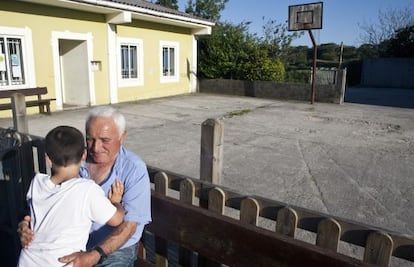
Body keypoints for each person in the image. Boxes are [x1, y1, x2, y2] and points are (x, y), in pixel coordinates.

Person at [18, 106, 152, 266]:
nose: (95, 148)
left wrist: (95, 254)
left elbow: (130, 226)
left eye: (105, 140)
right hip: (70, 246)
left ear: (122, 137)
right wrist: (26, 225)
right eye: (90, 139)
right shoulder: (74, 158)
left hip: (114, 249)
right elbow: (49, 204)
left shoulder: (134, 169)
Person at [18, 125, 125, 266]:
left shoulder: (37, 183)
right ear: (83, 155)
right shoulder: (86, 190)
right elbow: (116, 219)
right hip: (62, 262)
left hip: (28, 261)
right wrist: (116, 202)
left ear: (48, 159)